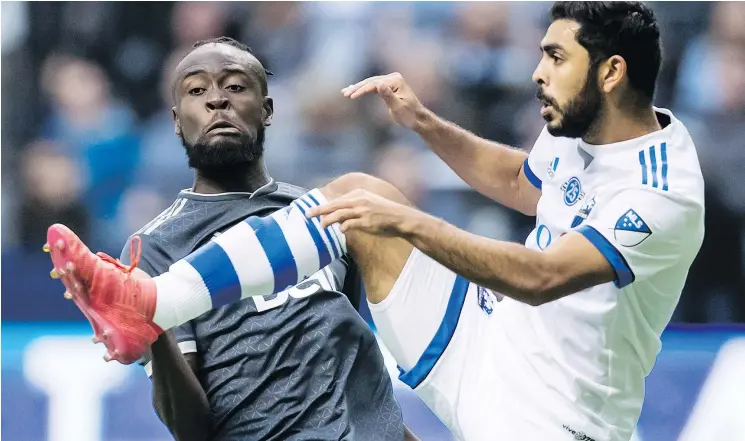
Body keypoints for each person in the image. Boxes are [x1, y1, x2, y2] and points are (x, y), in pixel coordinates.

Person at [46, 3, 704, 440]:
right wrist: (424, 124)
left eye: (555, 58)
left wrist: (410, 222)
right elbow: (519, 181)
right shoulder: (579, 122)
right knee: (357, 196)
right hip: (486, 343)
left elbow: (541, 275)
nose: (536, 72)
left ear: (611, 72)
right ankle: (149, 300)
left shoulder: (661, 194)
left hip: (551, 416)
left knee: (377, 209)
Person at [49, 37, 411, 441]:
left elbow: (355, 366)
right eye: (197, 90)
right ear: (175, 119)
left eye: (235, 86)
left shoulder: (321, 214)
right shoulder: (154, 247)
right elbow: (190, 429)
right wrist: (154, 325)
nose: (216, 100)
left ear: (267, 110)